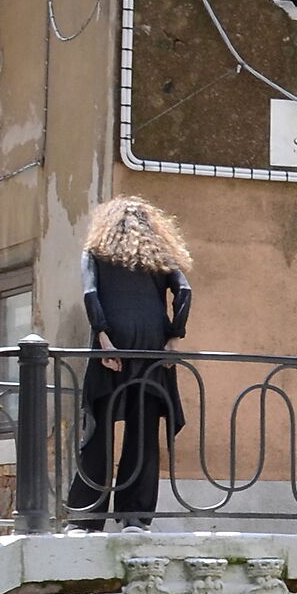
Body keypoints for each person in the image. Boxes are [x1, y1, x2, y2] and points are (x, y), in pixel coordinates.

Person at [66, 196, 193, 529]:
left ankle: (86, 517)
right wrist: (173, 338)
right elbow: (184, 291)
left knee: (99, 427)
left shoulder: (94, 253)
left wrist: (103, 337)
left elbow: (90, 294)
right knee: (144, 430)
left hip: (114, 344)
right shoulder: (160, 257)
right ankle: (135, 515)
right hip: (152, 347)